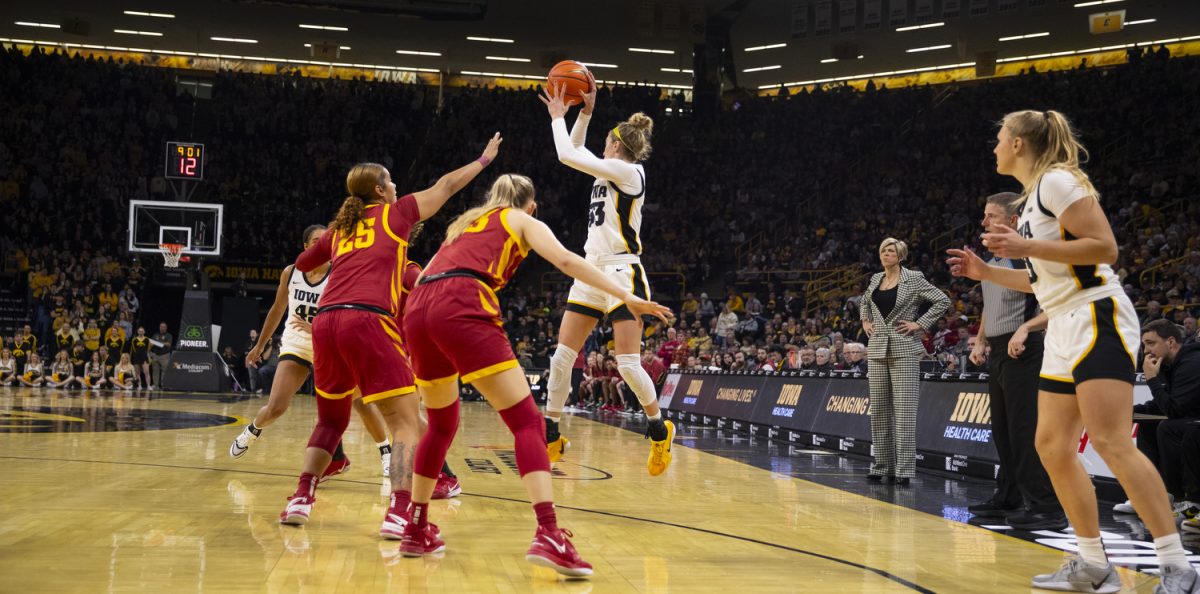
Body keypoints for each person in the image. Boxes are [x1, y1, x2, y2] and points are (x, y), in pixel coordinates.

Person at [947, 109, 1200, 592]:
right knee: (1051, 445)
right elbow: (1039, 279)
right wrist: (987, 273)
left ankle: (1176, 565)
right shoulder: (1033, 198)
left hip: (1096, 315)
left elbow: (1104, 248)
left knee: (1111, 441)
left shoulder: (1058, 182)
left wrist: (1025, 247)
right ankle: (1090, 563)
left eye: (1000, 137)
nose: (995, 146)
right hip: (1063, 322)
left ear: (1020, 144)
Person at [399, 173, 671, 574]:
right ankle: (548, 533)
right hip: (460, 300)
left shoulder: (465, 225)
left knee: (441, 424)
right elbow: (565, 260)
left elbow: (423, 278)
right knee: (527, 422)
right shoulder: (521, 219)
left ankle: (416, 526)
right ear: (532, 206)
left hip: (418, 308)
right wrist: (627, 295)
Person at [279, 134, 501, 539]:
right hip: (366, 320)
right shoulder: (395, 214)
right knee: (405, 424)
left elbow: (301, 263)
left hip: (325, 322)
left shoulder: (337, 232)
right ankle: (399, 510)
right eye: (392, 182)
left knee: (330, 422)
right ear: (380, 191)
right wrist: (484, 159)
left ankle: (300, 497)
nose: (397, 187)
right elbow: (447, 186)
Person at [539, 80, 675, 475]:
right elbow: (578, 151)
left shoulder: (630, 172)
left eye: (605, 140)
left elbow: (567, 154)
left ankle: (657, 428)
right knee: (562, 356)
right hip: (590, 268)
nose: (601, 145)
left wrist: (557, 118)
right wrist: (584, 113)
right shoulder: (610, 170)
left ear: (616, 145)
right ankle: (551, 431)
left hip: (622, 270)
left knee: (628, 363)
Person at [230, 225, 393, 481]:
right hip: (297, 345)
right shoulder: (291, 272)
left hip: (330, 344)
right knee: (276, 406)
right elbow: (277, 309)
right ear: (306, 247)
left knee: (359, 401)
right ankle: (251, 431)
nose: (324, 244)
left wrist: (317, 325)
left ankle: (386, 453)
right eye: (317, 241)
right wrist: (260, 345)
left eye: (327, 240)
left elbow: (349, 313)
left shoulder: (340, 272)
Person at [966, 192, 1064, 531]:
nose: (984, 222)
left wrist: (1026, 328)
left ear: (1012, 221)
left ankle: (1046, 505)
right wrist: (980, 340)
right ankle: (1008, 496)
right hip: (998, 349)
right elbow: (989, 308)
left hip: (1025, 349)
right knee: (1003, 431)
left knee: (1025, 432)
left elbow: (1057, 303)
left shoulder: (1028, 258)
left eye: (991, 215)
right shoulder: (992, 262)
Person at [860, 237, 951, 485]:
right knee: (878, 410)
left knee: (904, 412)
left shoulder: (914, 279)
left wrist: (919, 324)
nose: (886, 254)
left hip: (904, 349)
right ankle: (882, 465)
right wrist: (865, 320)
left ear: (901, 256)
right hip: (878, 348)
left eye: (891, 251)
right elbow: (865, 302)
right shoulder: (875, 279)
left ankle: (904, 469)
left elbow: (943, 300)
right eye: (883, 250)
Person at [1113, 319, 1200, 516]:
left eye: (1151, 343)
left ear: (1170, 342)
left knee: (1167, 427)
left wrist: (1152, 379)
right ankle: (1148, 493)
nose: (1146, 350)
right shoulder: (1171, 365)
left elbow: (1174, 409)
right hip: (1189, 418)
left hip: (1192, 422)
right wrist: (1127, 413)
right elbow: (1163, 404)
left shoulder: (1192, 363)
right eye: (1144, 345)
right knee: (1146, 422)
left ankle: (1173, 496)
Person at [150, 322, 173, 389]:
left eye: (164, 327)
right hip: (155, 355)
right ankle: (155, 385)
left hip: (164, 355)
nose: (162, 328)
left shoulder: (168, 335)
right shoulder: (155, 335)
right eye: (161, 326)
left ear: (166, 328)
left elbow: (169, 344)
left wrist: (158, 343)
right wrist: (151, 346)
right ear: (159, 327)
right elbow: (151, 343)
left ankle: (163, 385)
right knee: (155, 370)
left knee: (164, 370)